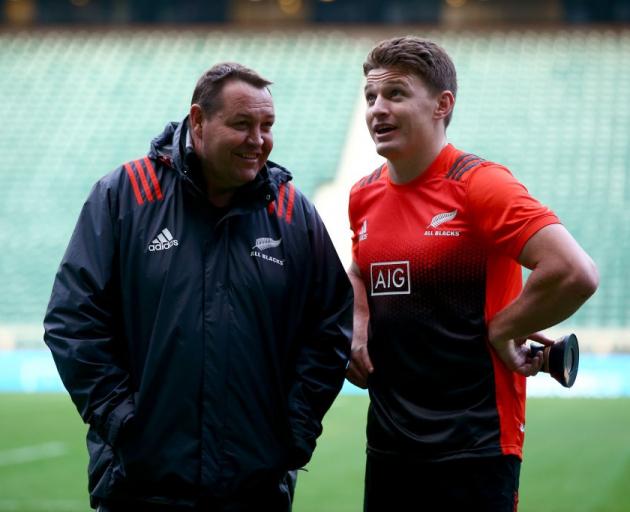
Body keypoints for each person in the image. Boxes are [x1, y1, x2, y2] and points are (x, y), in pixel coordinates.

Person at [44, 62, 353, 512]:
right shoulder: (125, 195)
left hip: (255, 488)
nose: (258, 140)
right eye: (242, 124)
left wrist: (295, 430)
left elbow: (329, 328)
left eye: (267, 126)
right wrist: (122, 421)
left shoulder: (291, 212)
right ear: (198, 121)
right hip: (141, 486)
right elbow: (72, 319)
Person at [346, 36, 599, 511]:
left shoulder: (480, 185)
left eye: (395, 94)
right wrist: (358, 316)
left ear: (443, 105)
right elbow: (361, 266)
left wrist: (506, 327)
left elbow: (574, 271)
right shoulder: (363, 194)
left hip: (475, 447)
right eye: (371, 97)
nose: (378, 109)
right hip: (388, 445)